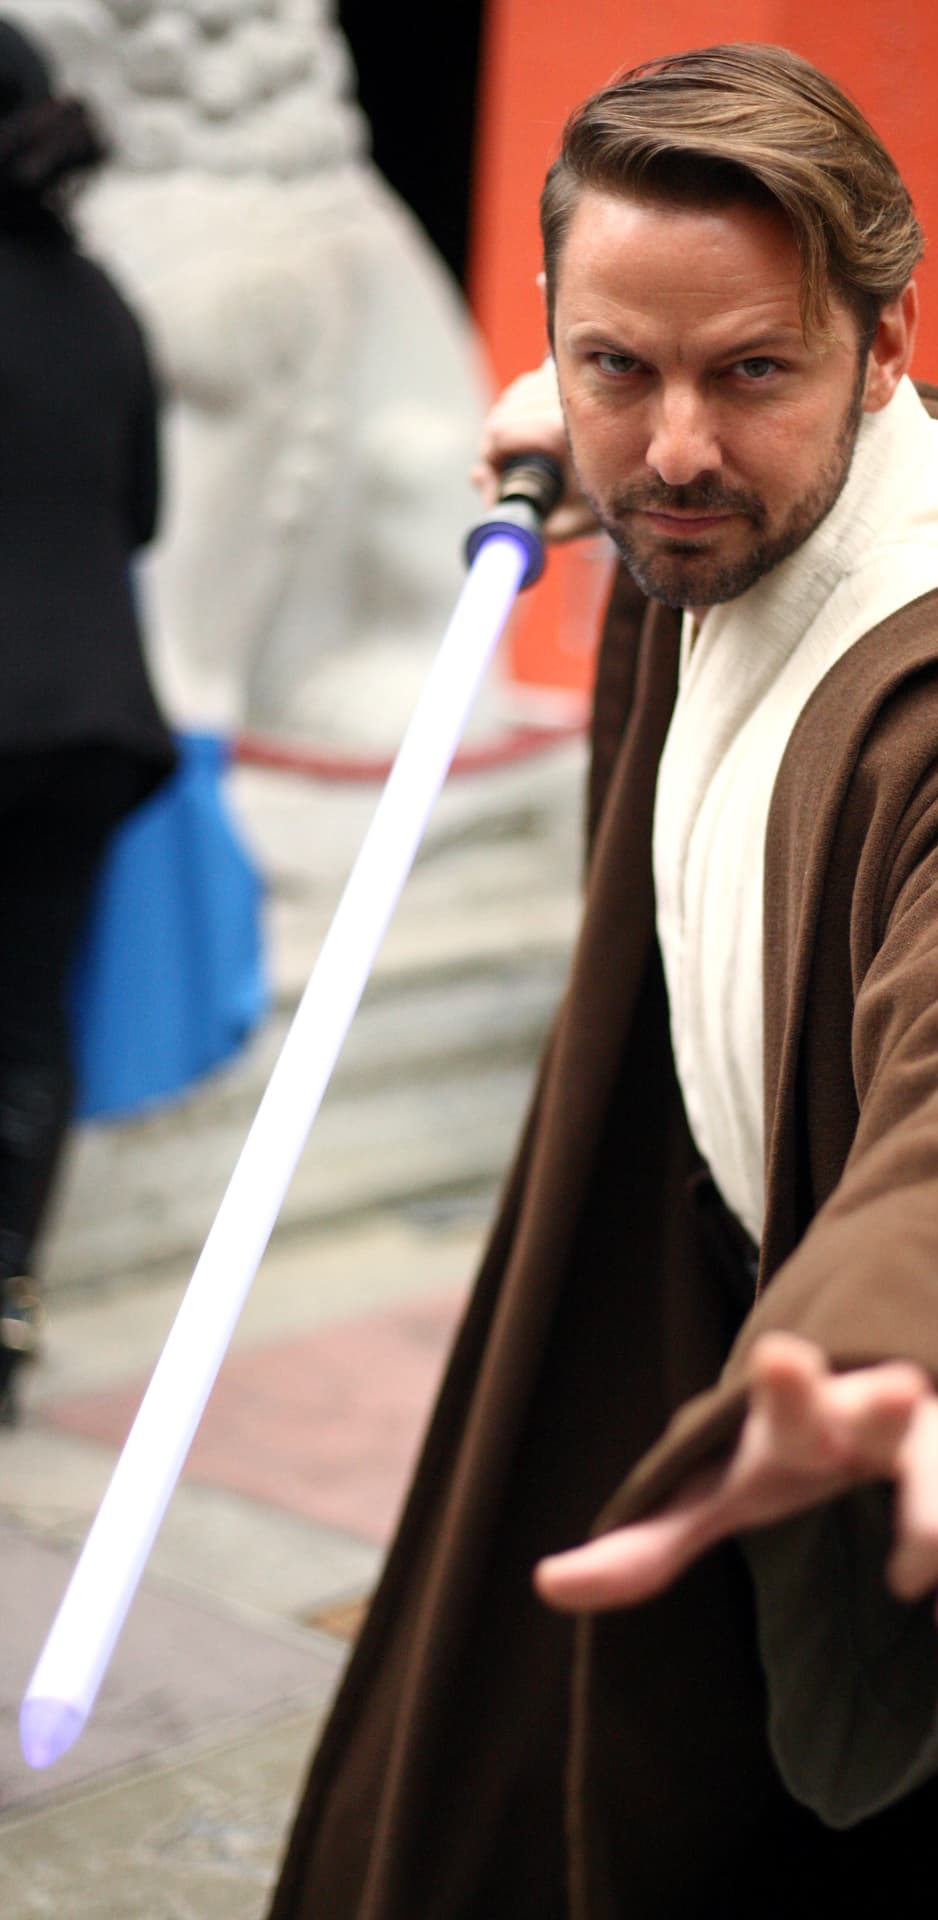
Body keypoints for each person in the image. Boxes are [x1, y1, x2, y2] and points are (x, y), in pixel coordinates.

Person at [269, 44, 938, 1920]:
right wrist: (572, 427)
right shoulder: (709, 491)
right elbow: (658, 424)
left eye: (752, 369)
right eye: (613, 366)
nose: (671, 451)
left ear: (887, 346)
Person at [0, 19, 175, 1422]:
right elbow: (140, 518)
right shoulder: (105, 300)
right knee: (27, 1026)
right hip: (88, 722)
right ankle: (5, 1313)